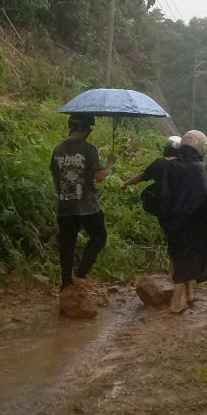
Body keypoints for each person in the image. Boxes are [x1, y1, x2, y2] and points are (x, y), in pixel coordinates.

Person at [157, 130, 207, 313]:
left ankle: (189, 295)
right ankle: (176, 303)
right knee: (185, 260)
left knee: (178, 256)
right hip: (192, 223)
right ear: (200, 148)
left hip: (171, 222)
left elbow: (162, 195)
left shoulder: (171, 166)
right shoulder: (199, 168)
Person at [50, 113, 116, 290]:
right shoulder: (88, 149)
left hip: (65, 205)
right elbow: (100, 176)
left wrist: (63, 196)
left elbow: (56, 180)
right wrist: (110, 163)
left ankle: (66, 283)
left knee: (67, 244)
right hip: (87, 205)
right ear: (87, 129)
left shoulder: (57, 150)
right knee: (99, 237)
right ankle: (81, 275)